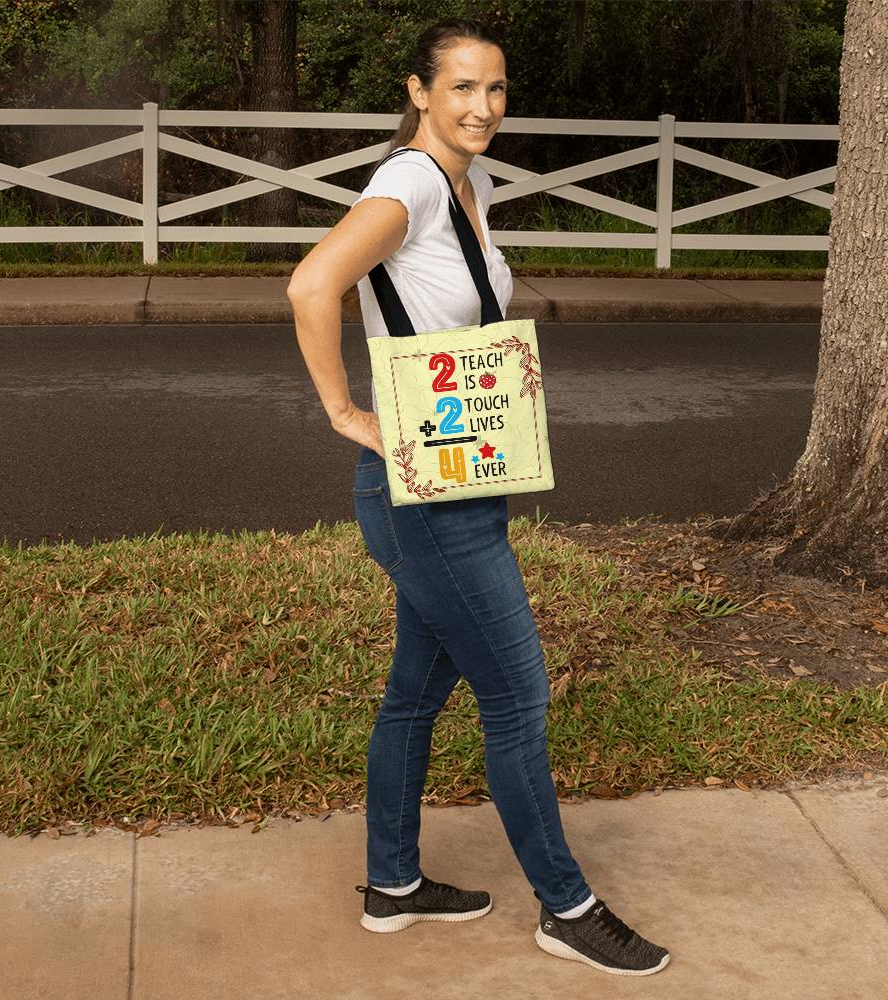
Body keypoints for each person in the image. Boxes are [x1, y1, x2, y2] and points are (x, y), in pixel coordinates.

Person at [287, 17, 670, 978]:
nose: (482, 107)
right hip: (424, 492)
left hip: (459, 474)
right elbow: (313, 284)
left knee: (417, 691)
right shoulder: (412, 182)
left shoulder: (469, 181)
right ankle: (567, 907)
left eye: (495, 89)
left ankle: (393, 887)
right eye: (460, 88)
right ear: (418, 91)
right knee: (518, 694)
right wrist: (343, 409)